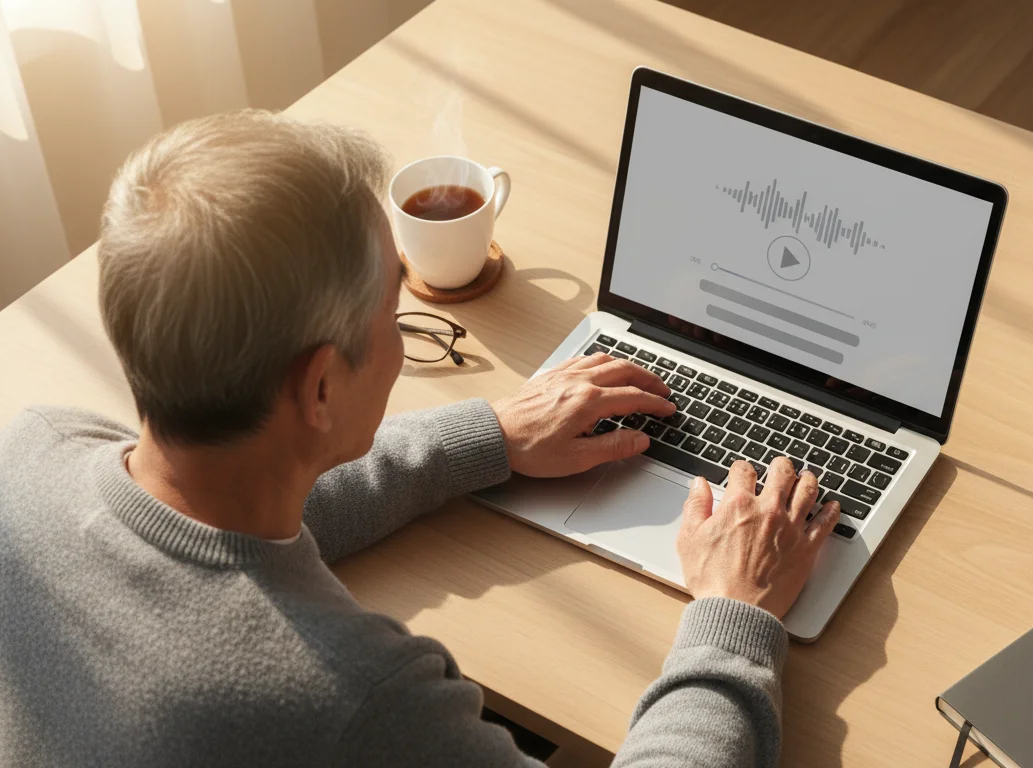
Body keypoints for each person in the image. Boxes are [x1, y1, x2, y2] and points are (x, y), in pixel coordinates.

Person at [0, 110, 842, 767]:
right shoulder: (354, 696)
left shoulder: (33, 451)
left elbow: (222, 511)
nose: (403, 340)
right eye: (394, 313)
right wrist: (733, 611)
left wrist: (488, 434)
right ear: (322, 387)